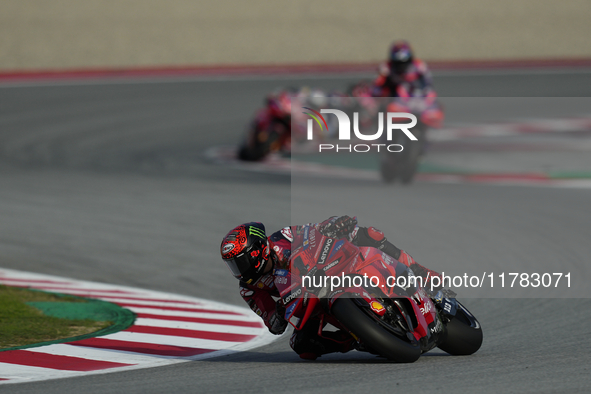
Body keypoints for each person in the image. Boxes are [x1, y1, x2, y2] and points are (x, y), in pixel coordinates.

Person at [219, 216, 441, 360]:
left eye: (239, 262)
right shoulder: (249, 288)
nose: (238, 270)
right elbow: (273, 325)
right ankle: (357, 337)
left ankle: (419, 271)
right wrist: (277, 314)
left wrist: (334, 225)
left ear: (257, 251)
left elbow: (313, 232)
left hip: (330, 268)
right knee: (302, 345)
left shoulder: (283, 238)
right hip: (308, 301)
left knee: (368, 234)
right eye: (232, 265)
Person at [371, 40, 436, 100]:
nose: (401, 66)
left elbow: (428, 83)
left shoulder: (419, 65)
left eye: (405, 62)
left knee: (431, 95)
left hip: (415, 96)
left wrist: (421, 91)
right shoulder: (386, 67)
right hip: (393, 98)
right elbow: (376, 87)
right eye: (398, 63)